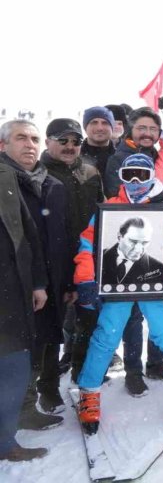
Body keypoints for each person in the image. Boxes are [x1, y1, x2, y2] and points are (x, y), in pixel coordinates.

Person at [73, 153, 163, 433]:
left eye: (142, 175)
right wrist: (86, 279)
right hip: (117, 283)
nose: (135, 182)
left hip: (153, 281)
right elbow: (88, 243)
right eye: (129, 175)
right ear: (121, 177)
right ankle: (89, 391)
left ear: (152, 178)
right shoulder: (109, 209)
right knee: (106, 334)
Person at [0, 120, 68, 429]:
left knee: (40, 343)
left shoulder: (52, 184)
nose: (29, 144)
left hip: (46, 283)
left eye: (34, 138)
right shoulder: (5, 182)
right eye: (20, 138)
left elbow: (61, 237)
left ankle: (26, 407)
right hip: (11, 284)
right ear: (3, 145)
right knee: (14, 349)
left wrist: (64, 282)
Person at [101, 107, 163, 392]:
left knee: (159, 309)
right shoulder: (119, 157)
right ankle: (133, 370)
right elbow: (125, 199)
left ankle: (155, 361)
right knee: (132, 314)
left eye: (153, 129)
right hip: (131, 244)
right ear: (131, 129)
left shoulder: (161, 155)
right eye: (142, 128)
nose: (147, 133)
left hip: (159, 244)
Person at [38, 119, 103, 387]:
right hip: (52, 262)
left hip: (87, 260)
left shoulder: (91, 173)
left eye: (75, 141)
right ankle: (48, 385)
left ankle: (82, 371)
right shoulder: (37, 173)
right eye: (62, 140)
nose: (70, 146)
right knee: (51, 329)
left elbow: (102, 213)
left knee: (88, 321)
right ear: (47, 142)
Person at [0, 162, 50, 462]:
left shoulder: (5, 175)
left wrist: (38, 282)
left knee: (14, 370)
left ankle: (5, 442)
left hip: (11, 292)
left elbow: (27, 231)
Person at [80, 106, 117, 184]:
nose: (100, 128)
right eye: (94, 122)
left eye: (105, 123)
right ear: (85, 127)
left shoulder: (121, 158)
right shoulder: (74, 158)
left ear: (112, 128)